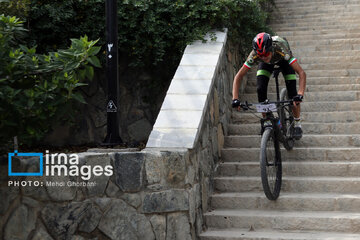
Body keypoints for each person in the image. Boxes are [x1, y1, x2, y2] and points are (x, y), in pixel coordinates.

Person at [232, 32, 306, 139]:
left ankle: (298, 123)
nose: (263, 57)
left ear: (270, 48)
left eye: (265, 54)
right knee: (260, 89)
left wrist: (300, 93)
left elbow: (301, 73)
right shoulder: (256, 54)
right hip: (267, 66)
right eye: (260, 55)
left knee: (293, 94)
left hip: (284, 62)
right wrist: (235, 98)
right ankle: (266, 120)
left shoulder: (281, 49)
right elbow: (238, 76)